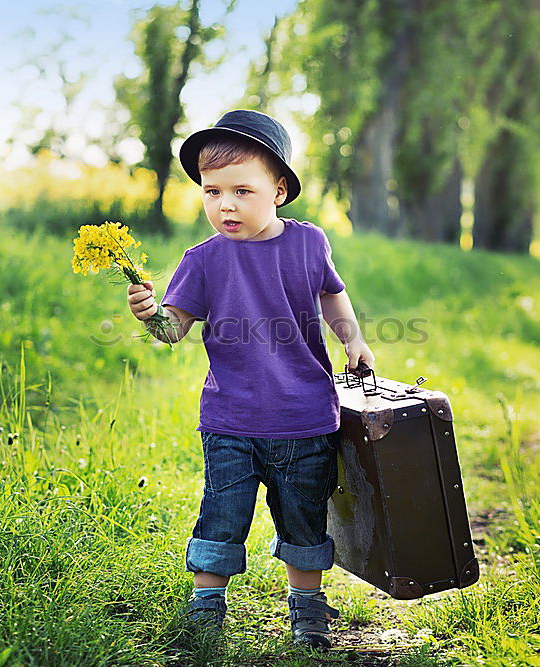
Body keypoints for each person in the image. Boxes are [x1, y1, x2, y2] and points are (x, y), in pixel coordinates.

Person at [127, 109, 374, 649]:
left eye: (242, 189)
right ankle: (205, 609)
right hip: (230, 420)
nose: (226, 205)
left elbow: (332, 293)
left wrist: (352, 338)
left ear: (279, 190)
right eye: (212, 192)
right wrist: (150, 316)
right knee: (221, 513)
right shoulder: (203, 260)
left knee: (304, 519)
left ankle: (308, 611)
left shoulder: (309, 243)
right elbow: (174, 331)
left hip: (305, 417)